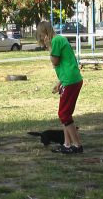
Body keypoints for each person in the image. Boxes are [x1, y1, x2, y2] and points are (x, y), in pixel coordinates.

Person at [36, 21, 83, 154]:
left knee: (64, 114)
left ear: (44, 33)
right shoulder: (60, 39)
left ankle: (77, 145)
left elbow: (55, 61)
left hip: (71, 80)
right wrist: (60, 83)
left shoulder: (55, 41)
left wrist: (48, 46)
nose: (40, 40)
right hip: (69, 79)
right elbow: (66, 62)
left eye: (40, 36)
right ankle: (67, 144)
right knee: (65, 114)